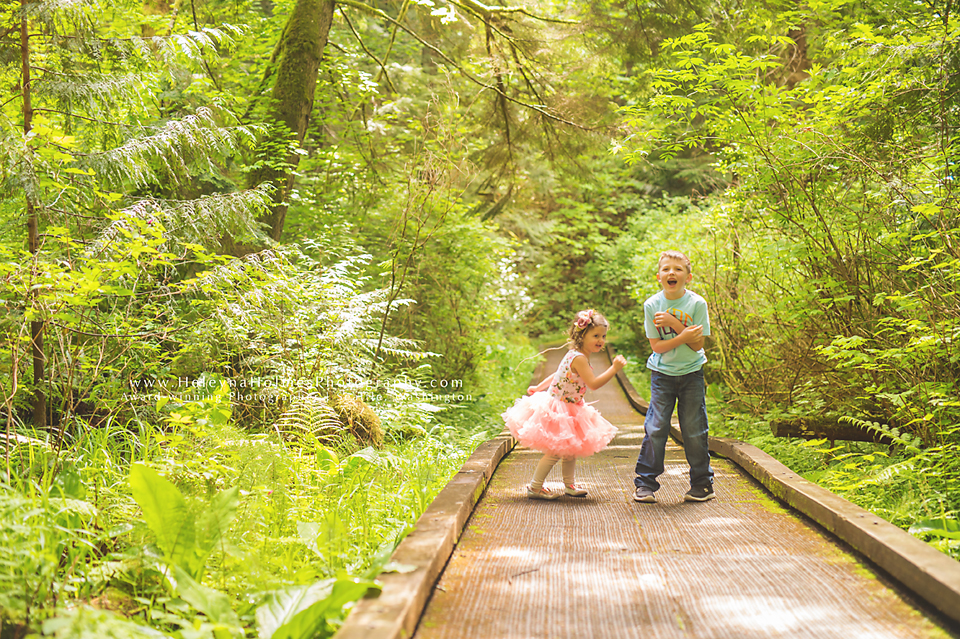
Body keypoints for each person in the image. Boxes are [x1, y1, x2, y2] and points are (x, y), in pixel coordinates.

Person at [503, 309, 627, 499]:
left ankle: (569, 485)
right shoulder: (579, 358)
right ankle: (535, 487)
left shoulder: (573, 354)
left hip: (571, 406)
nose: (600, 340)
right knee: (554, 452)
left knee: (570, 450)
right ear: (581, 335)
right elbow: (593, 384)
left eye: (603, 336)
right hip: (560, 409)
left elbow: (558, 374)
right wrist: (614, 369)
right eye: (595, 336)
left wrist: (539, 386)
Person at [633, 250, 715, 503]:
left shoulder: (697, 304)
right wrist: (683, 334)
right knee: (656, 427)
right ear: (659, 276)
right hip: (662, 374)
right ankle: (645, 483)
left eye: (678, 269)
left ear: (688, 277)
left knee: (693, 428)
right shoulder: (652, 305)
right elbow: (657, 346)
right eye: (667, 269)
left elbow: (697, 345)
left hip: (692, 373)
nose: (672, 273)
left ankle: (702, 484)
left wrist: (674, 323)